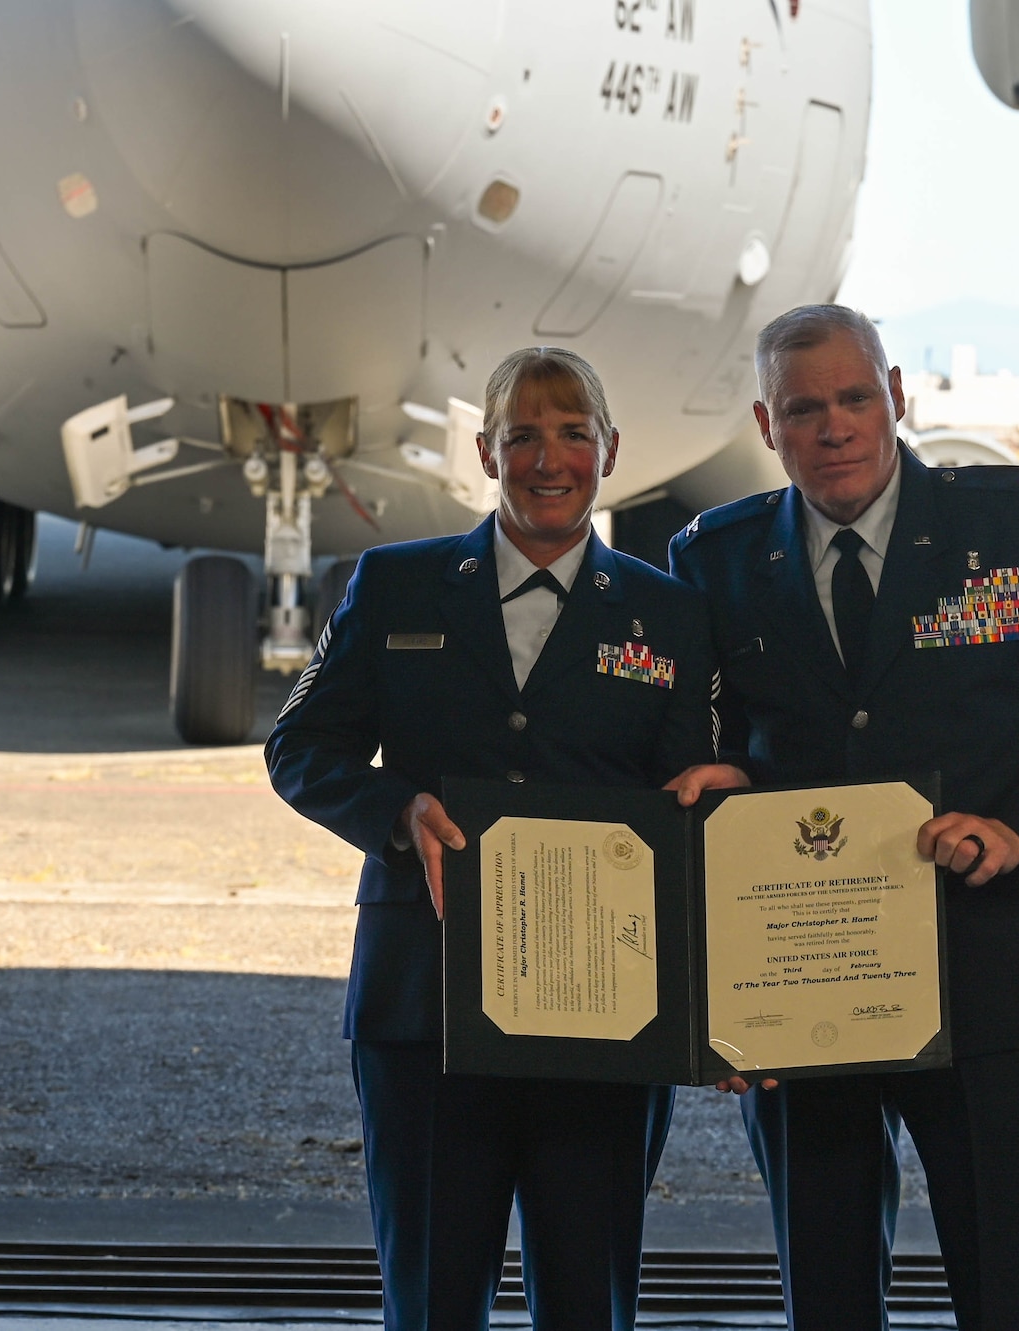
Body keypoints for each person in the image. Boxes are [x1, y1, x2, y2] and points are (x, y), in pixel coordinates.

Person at [665, 305, 1019, 1330]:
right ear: (767, 424)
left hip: (981, 964)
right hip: (798, 979)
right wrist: (704, 773)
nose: (834, 427)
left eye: (855, 398)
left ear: (896, 397)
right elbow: (692, 742)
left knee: (1009, 1270)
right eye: (804, 409)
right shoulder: (710, 558)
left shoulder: (1015, 523)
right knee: (825, 1279)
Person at [267, 347, 719, 1331]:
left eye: (571, 434)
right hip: (421, 1004)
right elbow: (299, 744)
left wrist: (709, 1006)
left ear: (609, 450)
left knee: (587, 1299)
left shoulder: (671, 614)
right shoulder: (392, 586)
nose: (547, 459)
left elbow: (690, 812)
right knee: (428, 1297)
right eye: (522, 435)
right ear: (483, 449)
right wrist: (393, 809)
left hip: (605, 1014)